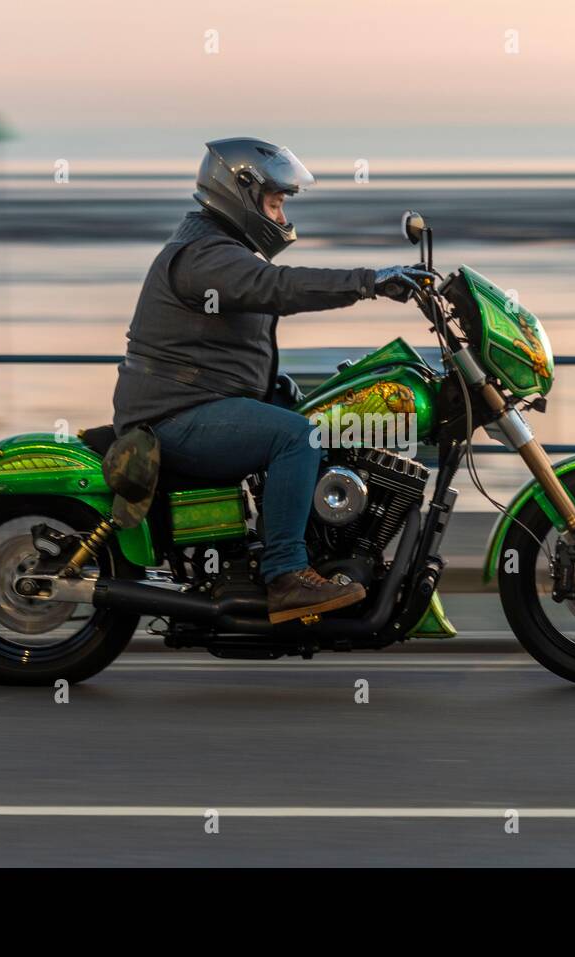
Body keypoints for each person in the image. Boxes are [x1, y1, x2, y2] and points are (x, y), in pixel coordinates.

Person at [112, 137, 433, 624]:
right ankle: (286, 576)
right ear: (240, 194)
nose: (282, 218)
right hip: (173, 417)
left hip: (195, 402)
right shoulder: (204, 255)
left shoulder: (219, 248)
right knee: (297, 436)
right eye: (275, 204)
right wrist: (371, 282)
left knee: (311, 413)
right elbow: (277, 288)